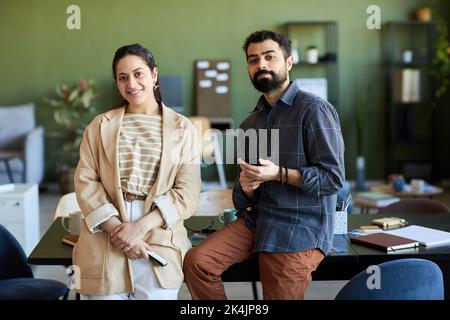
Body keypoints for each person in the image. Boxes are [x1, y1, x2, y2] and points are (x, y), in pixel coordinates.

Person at [183, 30, 345, 300]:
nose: (262, 65)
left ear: (288, 62)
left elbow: (332, 179)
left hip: (300, 225)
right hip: (258, 221)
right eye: (253, 60)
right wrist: (246, 187)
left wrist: (279, 174)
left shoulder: (314, 110)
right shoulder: (251, 123)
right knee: (197, 262)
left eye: (270, 57)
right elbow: (240, 198)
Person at [74, 43, 200, 300]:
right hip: (106, 230)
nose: (131, 83)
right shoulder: (100, 126)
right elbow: (86, 181)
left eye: (138, 73)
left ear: (154, 75)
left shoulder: (182, 128)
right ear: (117, 83)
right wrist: (118, 231)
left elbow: (187, 192)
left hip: (158, 231)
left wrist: (140, 228)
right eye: (123, 77)